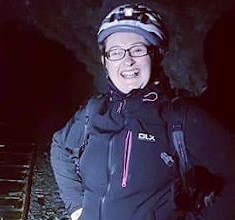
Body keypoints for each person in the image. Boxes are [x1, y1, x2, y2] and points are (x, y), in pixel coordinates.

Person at [50, 3, 235, 220]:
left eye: (137, 49)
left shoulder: (181, 118)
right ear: (105, 61)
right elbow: (60, 146)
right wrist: (77, 208)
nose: (127, 60)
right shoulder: (94, 111)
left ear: (155, 54)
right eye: (115, 52)